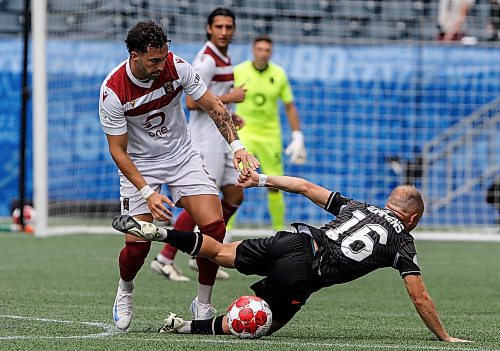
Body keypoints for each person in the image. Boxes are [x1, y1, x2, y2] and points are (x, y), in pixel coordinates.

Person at [112, 170, 470, 342]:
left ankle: (161, 232)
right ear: (414, 218)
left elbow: (304, 187)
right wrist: (444, 336)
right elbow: (418, 294)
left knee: (219, 252)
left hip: (296, 240)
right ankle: (186, 326)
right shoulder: (402, 242)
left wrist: (262, 179)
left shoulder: (359, 207)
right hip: (305, 272)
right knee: (263, 323)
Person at [99, 20, 259, 331]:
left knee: (214, 226)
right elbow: (118, 151)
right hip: (141, 164)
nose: (161, 65)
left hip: (182, 156)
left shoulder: (177, 66)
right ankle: (126, 289)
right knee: (138, 244)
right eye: (153, 60)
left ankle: (202, 302)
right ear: (134, 56)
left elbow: (213, 105)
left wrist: (237, 146)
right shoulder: (112, 91)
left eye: (164, 57)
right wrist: (148, 192)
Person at [150, 8, 245, 282]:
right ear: (209, 28)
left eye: (229, 27)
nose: (224, 32)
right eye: (219, 27)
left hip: (221, 139)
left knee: (235, 195)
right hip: (205, 143)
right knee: (202, 205)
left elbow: (215, 101)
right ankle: (165, 258)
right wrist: (232, 97)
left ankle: (202, 252)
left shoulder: (223, 57)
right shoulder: (205, 60)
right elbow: (192, 102)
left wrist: (229, 111)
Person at [232, 34, 306, 231]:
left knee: (274, 184)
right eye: (259, 49)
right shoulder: (239, 71)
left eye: (267, 50)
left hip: (270, 135)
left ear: (271, 52)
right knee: (236, 181)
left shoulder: (279, 74)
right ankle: (226, 231)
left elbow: (289, 106)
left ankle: (278, 229)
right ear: (253, 50)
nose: (263, 53)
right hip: (245, 132)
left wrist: (297, 135)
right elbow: (225, 98)